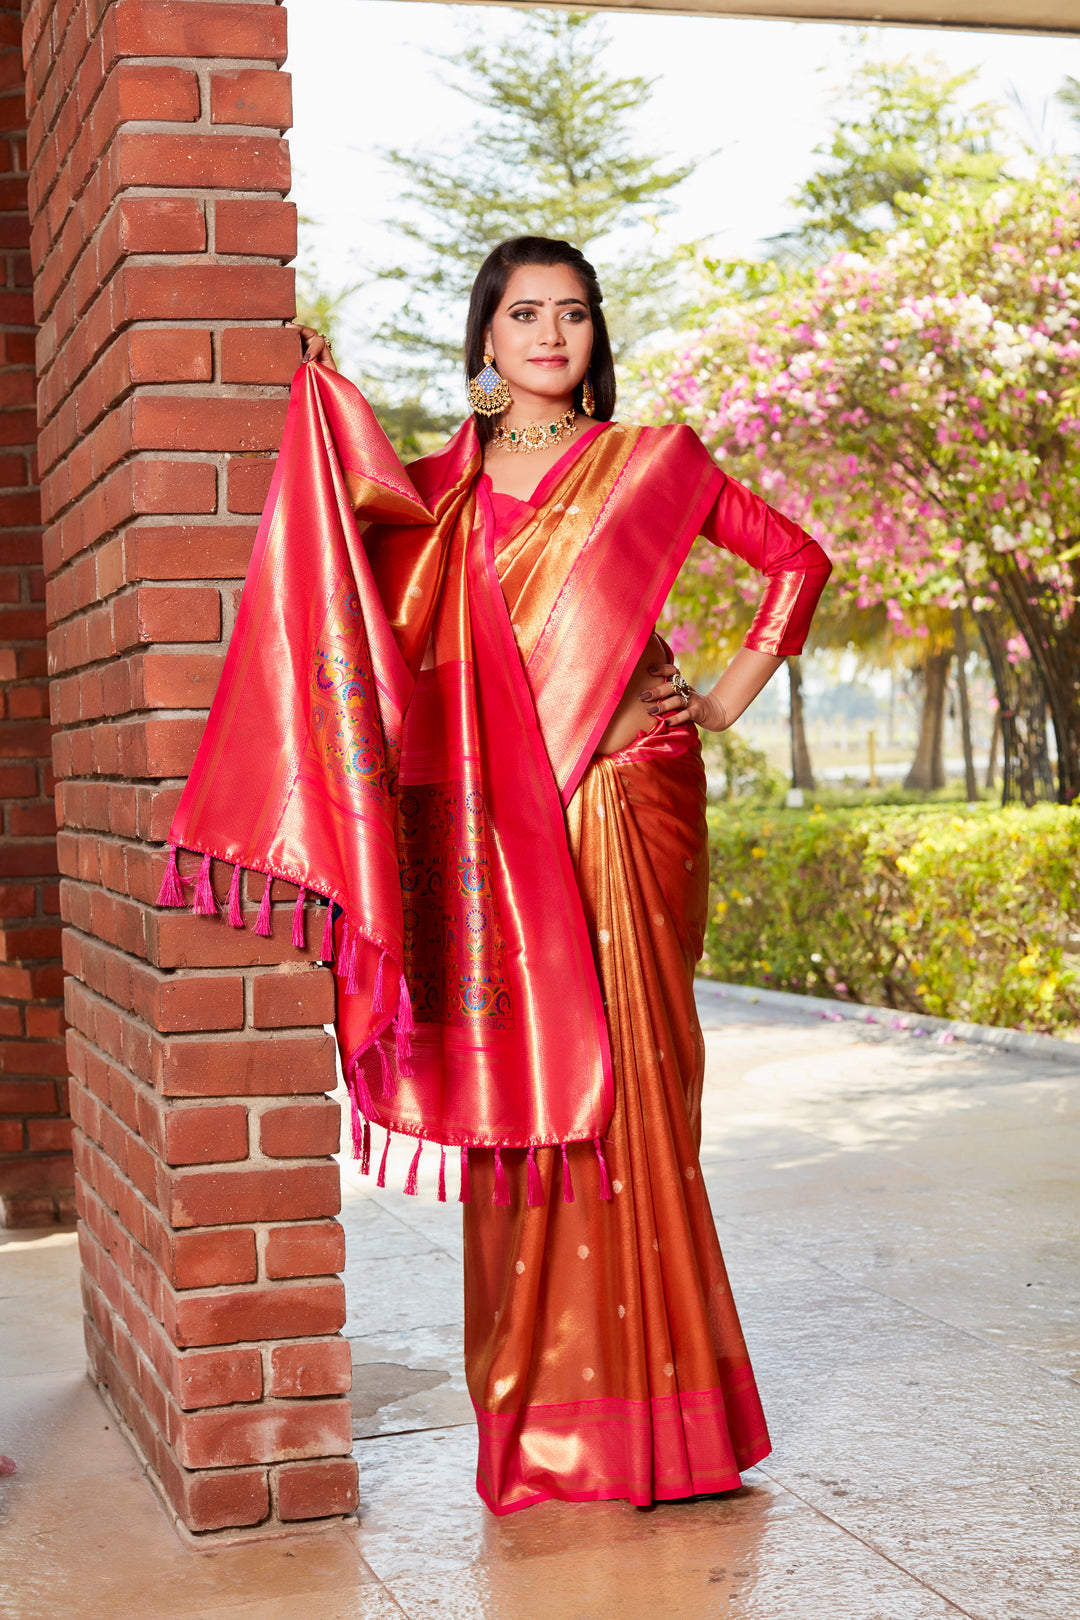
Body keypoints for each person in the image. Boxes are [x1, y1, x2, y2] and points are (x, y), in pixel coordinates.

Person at [161, 236, 831, 1516]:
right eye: (525, 312)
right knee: (521, 1099)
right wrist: (323, 392)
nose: (551, 334)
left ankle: (668, 1428)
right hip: (495, 852)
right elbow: (346, 551)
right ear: (486, 337)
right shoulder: (442, 494)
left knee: (632, 1098)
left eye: (572, 314)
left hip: (624, 805)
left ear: (594, 336)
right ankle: (544, 1428)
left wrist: (729, 698)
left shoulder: (653, 467)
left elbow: (794, 561)